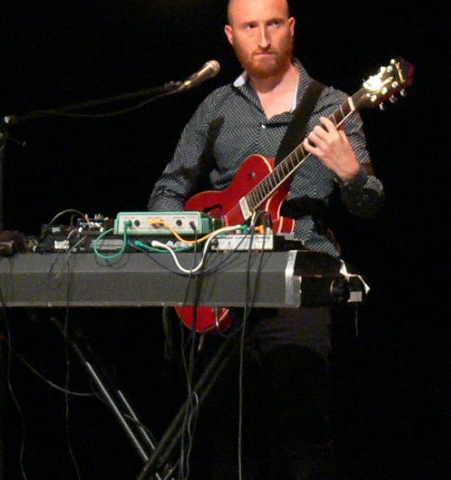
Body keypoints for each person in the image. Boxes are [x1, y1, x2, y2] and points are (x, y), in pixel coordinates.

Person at [147, 0, 384, 477]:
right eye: (250, 26)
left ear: (291, 28)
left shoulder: (332, 106)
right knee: (229, 445)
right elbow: (166, 193)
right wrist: (195, 240)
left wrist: (352, 174)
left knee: (303, 441)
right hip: (222, 289)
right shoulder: (216, 107)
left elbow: (370, 205)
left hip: (299, 287)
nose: (263, 38)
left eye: (273, 24)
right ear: (230, 35)